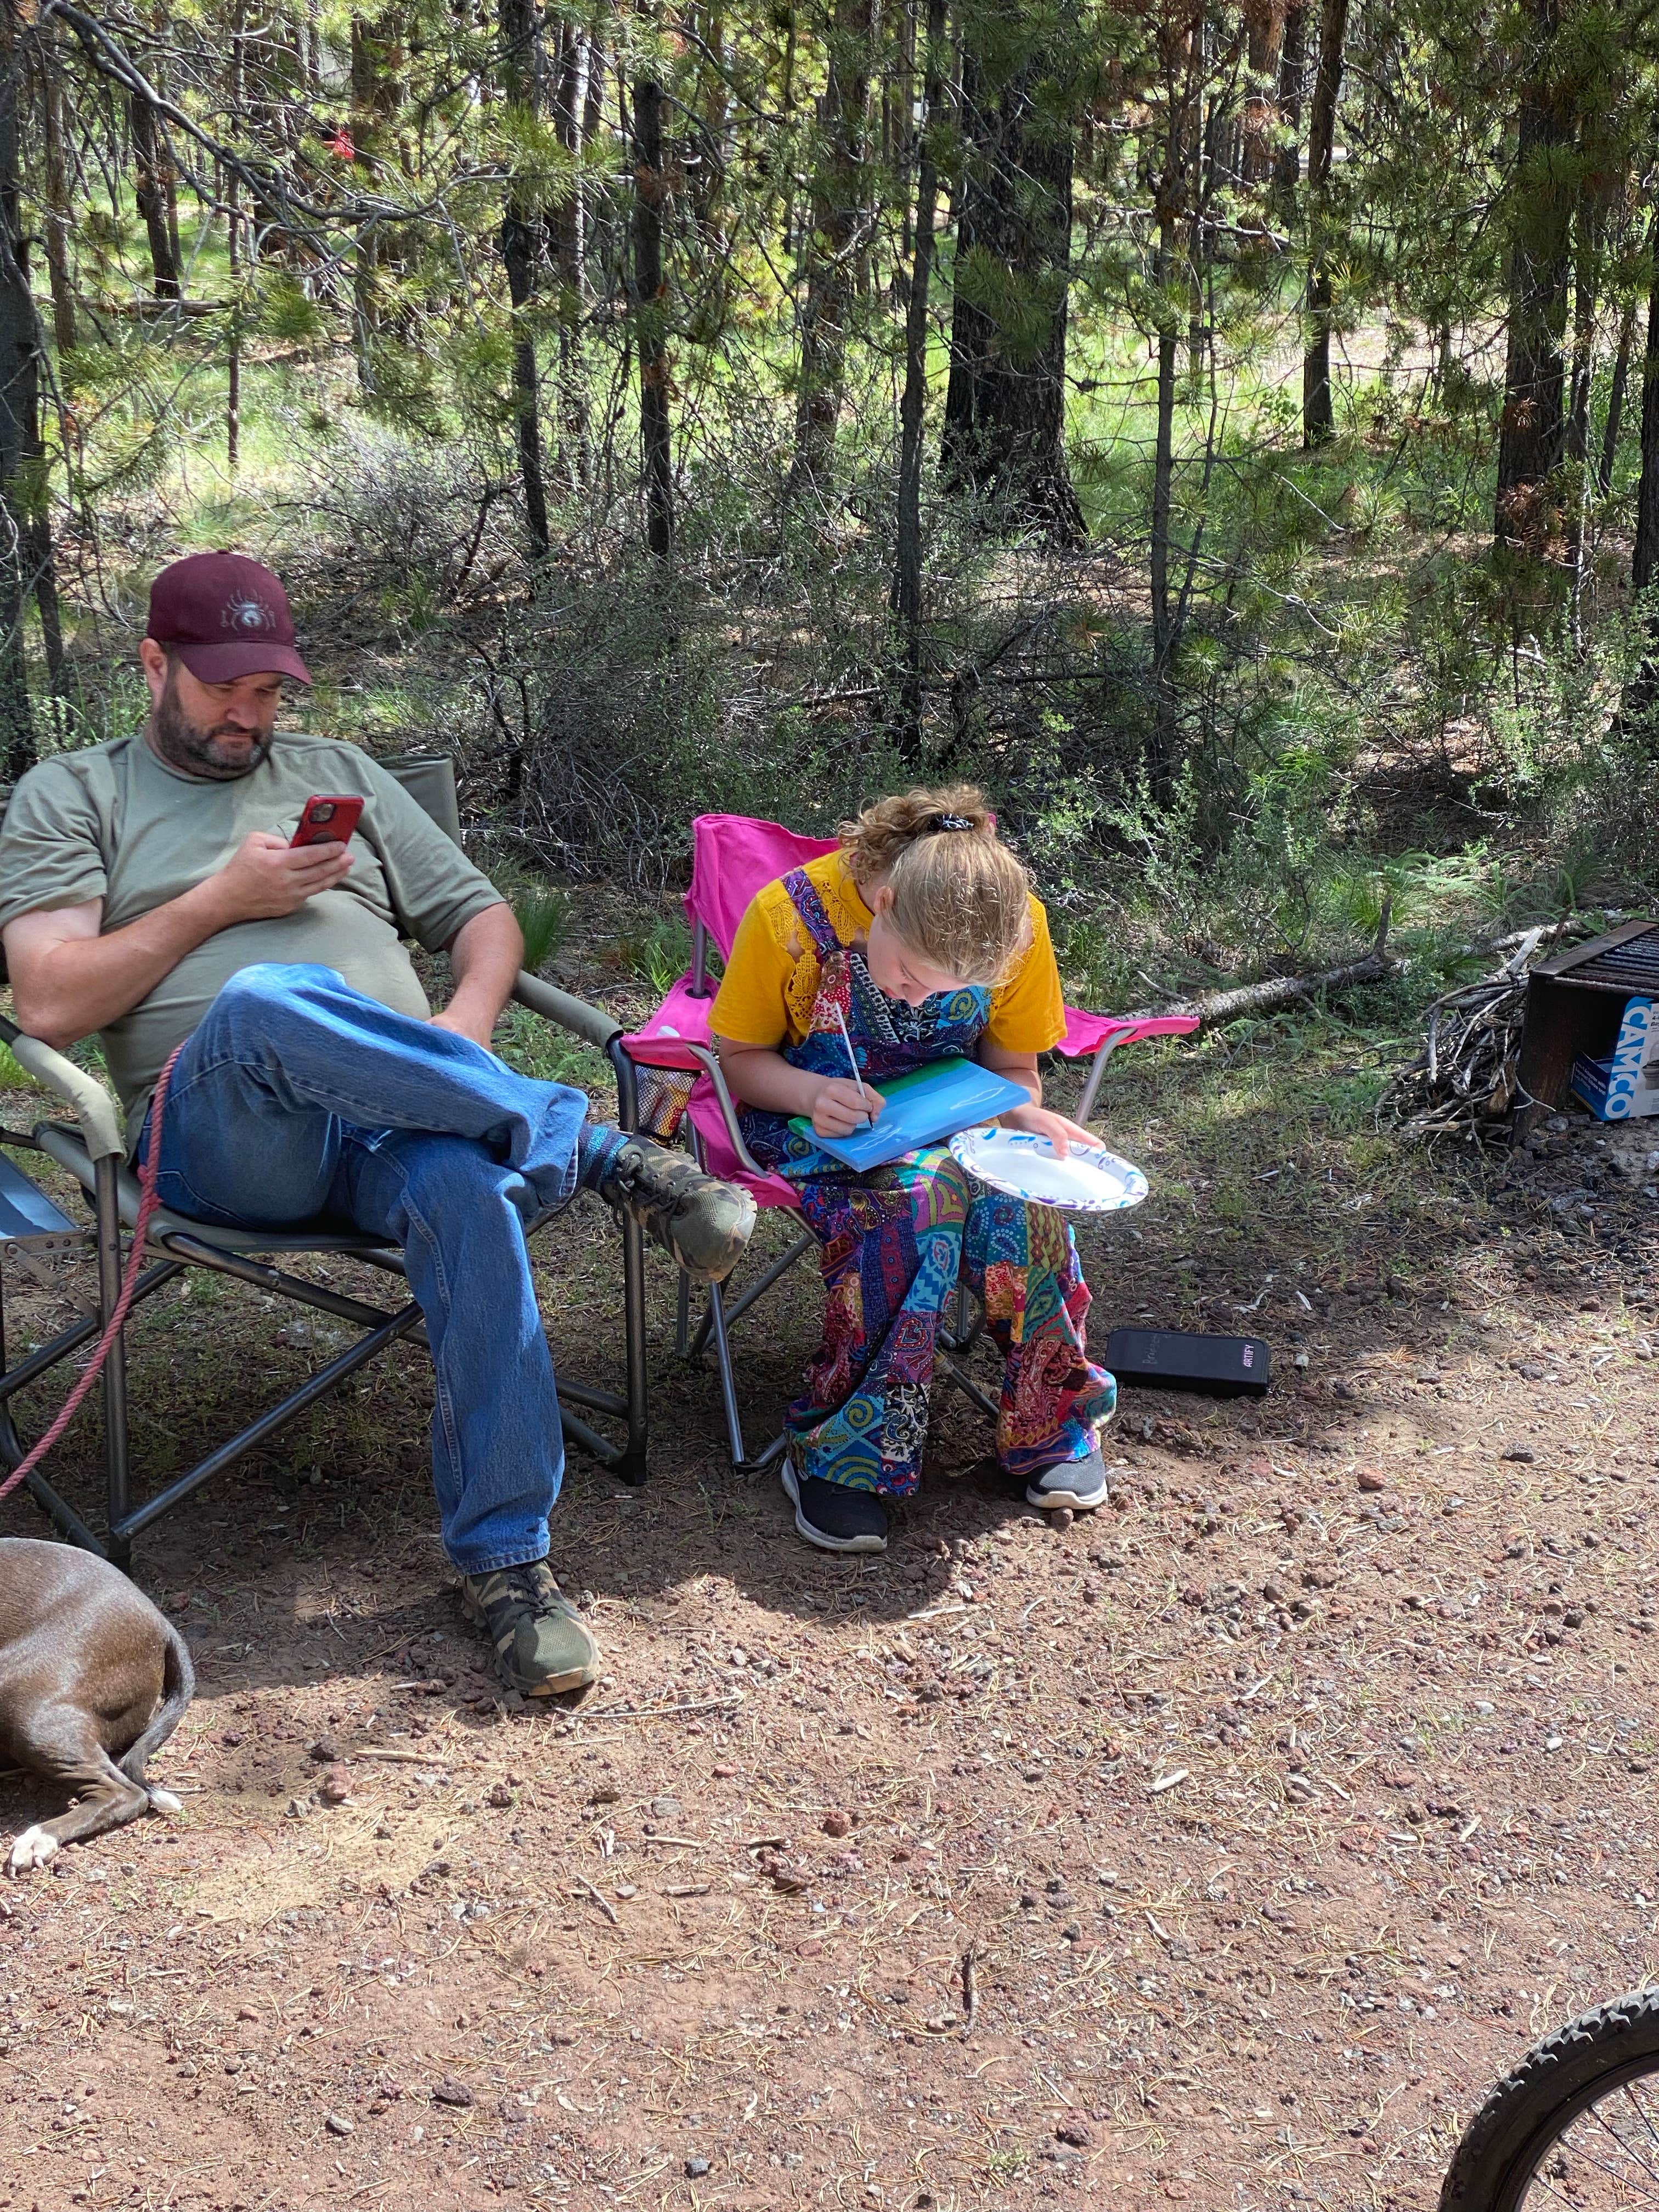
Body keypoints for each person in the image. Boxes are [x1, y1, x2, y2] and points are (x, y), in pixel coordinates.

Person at [0, 552, 755, 1692]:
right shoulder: (75, 793)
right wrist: (224, 900)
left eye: (268, 694)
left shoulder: (339, 772)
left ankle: (508, 1567)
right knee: (264, 1005)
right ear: (153, 664)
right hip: (224, 1135)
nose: (248, 718)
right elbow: (50, 999)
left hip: (399, 1121)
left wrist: (465, 1021)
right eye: (220, 690)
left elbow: (483, 918)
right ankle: (588, 1145)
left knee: (461, 1188)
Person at [709, 786, 1115, 1555]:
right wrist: (812, 1092)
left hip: (952, 1118)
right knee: (912, 1203)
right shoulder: (788, 917)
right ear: (884, 901)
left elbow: (1014, 1070)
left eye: (948, 989)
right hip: (814, 1119)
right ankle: (843, 1457)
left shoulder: (1017, 928)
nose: (919, 996)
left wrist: (1018, 1113)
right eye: (908, 973)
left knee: (1021, 1200)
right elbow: (740, 1062)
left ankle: (1052, 1421)